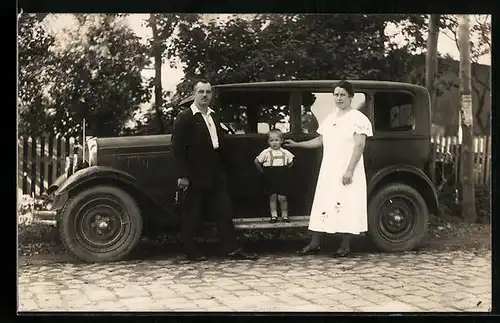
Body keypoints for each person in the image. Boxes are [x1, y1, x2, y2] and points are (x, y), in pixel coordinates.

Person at [172, 79, 258, 262]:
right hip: (195, 172)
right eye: (201, 92)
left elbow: (219, 143)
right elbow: (177, 148)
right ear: (194, 94)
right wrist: (183, 175)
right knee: (192, 213)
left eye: (208, 92)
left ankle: (231, 249)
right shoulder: (185, 117)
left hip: (215, 170)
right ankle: (191, 251)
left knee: (224, 210)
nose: (205, 95)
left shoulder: (213, 116)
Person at [285, 80, 373, 257]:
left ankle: (345, 244)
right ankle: (315, 243)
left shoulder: (358, 119)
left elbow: (360, 145)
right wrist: (297, 144)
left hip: (348, 169)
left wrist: (349, 170)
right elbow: (319, 141)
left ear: (350, 97)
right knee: (323, 203)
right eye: (336, 94)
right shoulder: (331, 117)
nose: (339, 98)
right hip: (329, 169)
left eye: (342, 95)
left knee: (346, 204)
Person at [254, 129, 295, 223]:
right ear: (268, 142)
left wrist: (284, 171)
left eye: (276, 140)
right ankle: (274, 216)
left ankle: (285, 216)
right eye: (271, 141)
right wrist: (262, 172)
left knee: (282, 197)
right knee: (272, 196)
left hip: (282, 176)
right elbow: (256, 161)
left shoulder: (285, 152)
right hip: (270, 176)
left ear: (281, 141)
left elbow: (290, 163)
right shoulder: (265, 152)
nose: (274, 143)